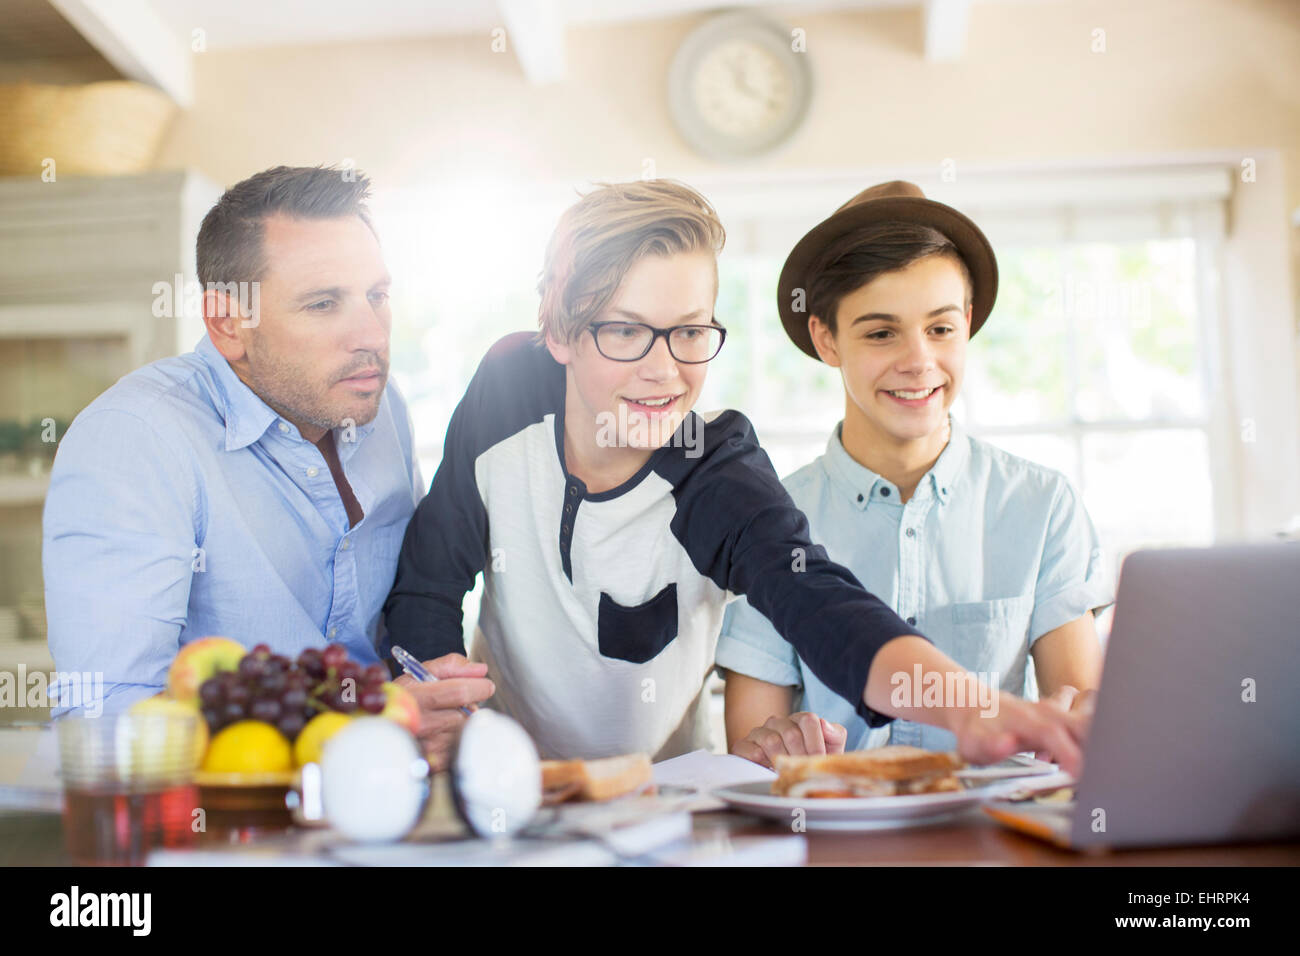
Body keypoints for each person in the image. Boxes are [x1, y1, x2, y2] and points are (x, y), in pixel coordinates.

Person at [383, 178, 1090, 774]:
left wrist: (974, 708)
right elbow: (429, 577)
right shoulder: (508, 392)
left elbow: (816, 598)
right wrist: (437, 692)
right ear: (561, 334)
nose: (663, 371)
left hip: (659, 797)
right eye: (625, 331)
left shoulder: (711, 461)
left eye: (690, 332)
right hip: (497, 776)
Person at [43, 165, 493, 757]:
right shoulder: (134, 440)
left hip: (377, 805)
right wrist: (367, 728)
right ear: (229, 323)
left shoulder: (383, 410)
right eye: (324, 303)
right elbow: (103, 723)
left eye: (377, 296)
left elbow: (389, 633)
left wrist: (425, 706)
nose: (372, 335)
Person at [718, 180, 1111, 769]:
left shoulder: (1041, 504)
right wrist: (777, 745)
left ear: (969, 323)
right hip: (834, 842)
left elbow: (1078, 715)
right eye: (881, 332)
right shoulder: (771, 525)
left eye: (941, 328)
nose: (918, 360)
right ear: (826, 338)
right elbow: (750, 753)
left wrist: (1080, 719)